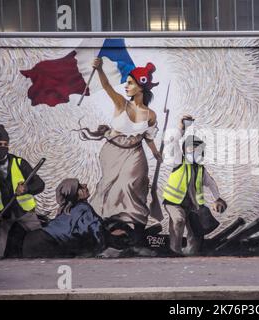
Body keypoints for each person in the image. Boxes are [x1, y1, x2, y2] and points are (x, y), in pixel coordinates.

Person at [81, 58, 162, 248]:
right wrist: (99, 69)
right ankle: (108, 229)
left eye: (131, 83)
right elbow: (108, 86)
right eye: (127, 82)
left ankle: (137, 229)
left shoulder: (150, 114)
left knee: (132, 185)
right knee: (109, 188)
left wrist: (156, 152)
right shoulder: (121, 104)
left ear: (141, 87)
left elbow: (149, 137)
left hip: (135, 153)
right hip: (113, 151)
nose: (126, 86)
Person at [162, 116, 227, 256]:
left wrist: (217, 198)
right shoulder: (179, 162)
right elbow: (172, 143)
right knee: (178, 221)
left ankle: (191, 252)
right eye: (191, 149)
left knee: (196, 230)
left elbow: (211, 184)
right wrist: (181, 127)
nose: (194, 152)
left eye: (197, 150)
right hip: (174, 202)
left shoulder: (201, 169)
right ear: (185, 151)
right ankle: (175, 251)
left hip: (192, 205)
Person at [0, 124, 45, 260]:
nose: (3, 147)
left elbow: (40, 184)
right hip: (2, 216)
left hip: (25, 213)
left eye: (5, 144)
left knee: (41, 240)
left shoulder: (19, 163)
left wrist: (26, 189)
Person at [22, 178, 105, 258]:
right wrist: (101, 249)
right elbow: (97, 230)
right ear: (74, 195)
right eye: (79, 187)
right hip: (46, 242)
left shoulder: (65, 210)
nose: (85, 185)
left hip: (32, 239)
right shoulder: (84, 208)